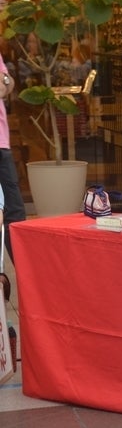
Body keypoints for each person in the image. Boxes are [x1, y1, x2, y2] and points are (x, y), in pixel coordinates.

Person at [0, 54, 26, 269]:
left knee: (15, 211)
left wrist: (5, 80)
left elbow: (6, 85)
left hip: (2, 143)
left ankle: (26, 272)